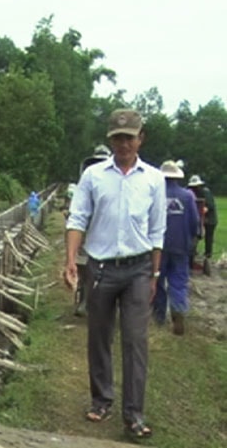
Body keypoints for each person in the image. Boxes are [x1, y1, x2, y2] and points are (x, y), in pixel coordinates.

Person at [64, 109, 166, 439]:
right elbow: (77, 219)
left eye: (129, 137)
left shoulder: (153, 179)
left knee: (136, 341)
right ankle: (101, 399)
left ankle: (134, 414)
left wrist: (154, 273)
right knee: (99, 336)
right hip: (101, 268)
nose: (123, 143)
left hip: (137, 269)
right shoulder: (94, 176)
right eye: (117, 138)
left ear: (141, 138)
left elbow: (157, 230)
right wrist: (69, 260)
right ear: (110, 140)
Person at [153, 161, 199, 335]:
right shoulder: (187, 196)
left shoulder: (155, 195)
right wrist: (192, 238)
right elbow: (194, 221)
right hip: (181, 245)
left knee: (158, 281)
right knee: (178, 281)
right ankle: (178, 311)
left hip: (159, 246)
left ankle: (158, 316)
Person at [72, 144, 112, 317]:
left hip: (100, 233)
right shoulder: (89, 181)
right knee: (88, 269)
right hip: (91, 233)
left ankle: (92, 302)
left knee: (91, 270)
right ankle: (87, 301)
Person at [187, 174, 217, 275]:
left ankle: (207, 256)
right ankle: (193, 254)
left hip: (210, 219)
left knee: (208, 237)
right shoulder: (193, 192)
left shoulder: (205, 192)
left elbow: (209, 206)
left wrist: (200, 213)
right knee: (195, 235)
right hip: (200, 218)